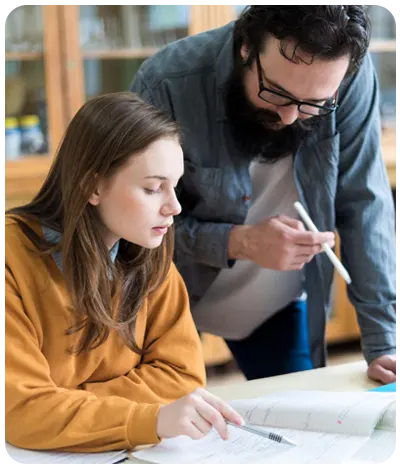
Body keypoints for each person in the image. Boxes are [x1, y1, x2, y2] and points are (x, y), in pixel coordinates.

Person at [131, 4, 396, 382]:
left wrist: (382, 342)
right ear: (245, 47)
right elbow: (128, 229)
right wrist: (237, 242)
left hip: (272, 303)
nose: (290, 117)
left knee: (297, 418)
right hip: (170, 295)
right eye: (277, 93)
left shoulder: (347, 76)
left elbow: (364, 205)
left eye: (314, 105)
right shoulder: (167, 83)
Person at [4, 92, 244, 453]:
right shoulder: (11, 258)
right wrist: (149, 418)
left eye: (175, 186)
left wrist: (64, 405)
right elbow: (21, 413)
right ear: (93, 186)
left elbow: (184, 378)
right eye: (152, 188)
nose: (174, 207)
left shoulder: (151, 250)